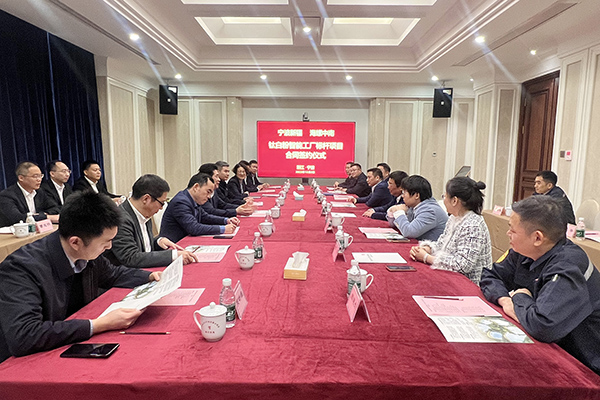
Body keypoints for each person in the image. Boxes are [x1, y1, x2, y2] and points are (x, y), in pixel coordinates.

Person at [0, 191, 162, 363]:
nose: (109, 247)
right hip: (23, 362)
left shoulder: (85, 252)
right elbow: (24, 335)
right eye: (105, 242)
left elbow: (113, 274)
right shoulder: (21, 268)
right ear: (75, 242)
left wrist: (150, 276)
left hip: (66, 343)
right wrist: (100, 324)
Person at [480, 195, 600, 374]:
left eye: (512, 230)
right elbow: (490, 275)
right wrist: (506, 300)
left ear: (537, 238)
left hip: (583, 364)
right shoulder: (523, 252)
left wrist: (520, 296)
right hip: (551, 349)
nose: (508, 234)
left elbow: (542, 325)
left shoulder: (568, 266)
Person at [409, 177, 492, 285]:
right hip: (451, 278)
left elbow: (462, 265)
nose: (444, 199)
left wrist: (426, 257)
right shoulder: (454, 218)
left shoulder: (473, 225)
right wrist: (427, 249)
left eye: (445, 196)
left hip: (469, 285)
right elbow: (441, 244)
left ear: (454, 201)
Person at [105, 174, 197, 268]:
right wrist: (173, 255)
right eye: (161, 203)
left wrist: (158, 242)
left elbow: (143, 247)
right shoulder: (121, 219)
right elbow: (130, 257)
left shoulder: (144, 213)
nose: (161, 208)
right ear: (146, 199)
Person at [159, 173, 238, 243]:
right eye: (208, 192)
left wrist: (226, 220)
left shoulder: (193, 199)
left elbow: (205, 217)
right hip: (174, 245)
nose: (209, 197)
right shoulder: (181, 202)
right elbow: (194, 228)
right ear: (196, 187)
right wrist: (222, 229)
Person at [387, 175, 448, 240]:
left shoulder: (429, 211)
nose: (402, 196)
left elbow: (409, 232)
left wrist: (399, 212)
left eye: (404, 192)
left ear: (416, 195)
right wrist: (392, 211)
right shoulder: (415, 206)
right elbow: (394, 225)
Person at [0, 162, 59, 226]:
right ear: (21, 178)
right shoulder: (7, 195)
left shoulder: (39, 192)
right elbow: (17, 218)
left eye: (40, 176)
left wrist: (40, 215)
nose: (39, 179)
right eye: (35, 176)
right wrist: (45, 217)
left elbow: (55, 208)